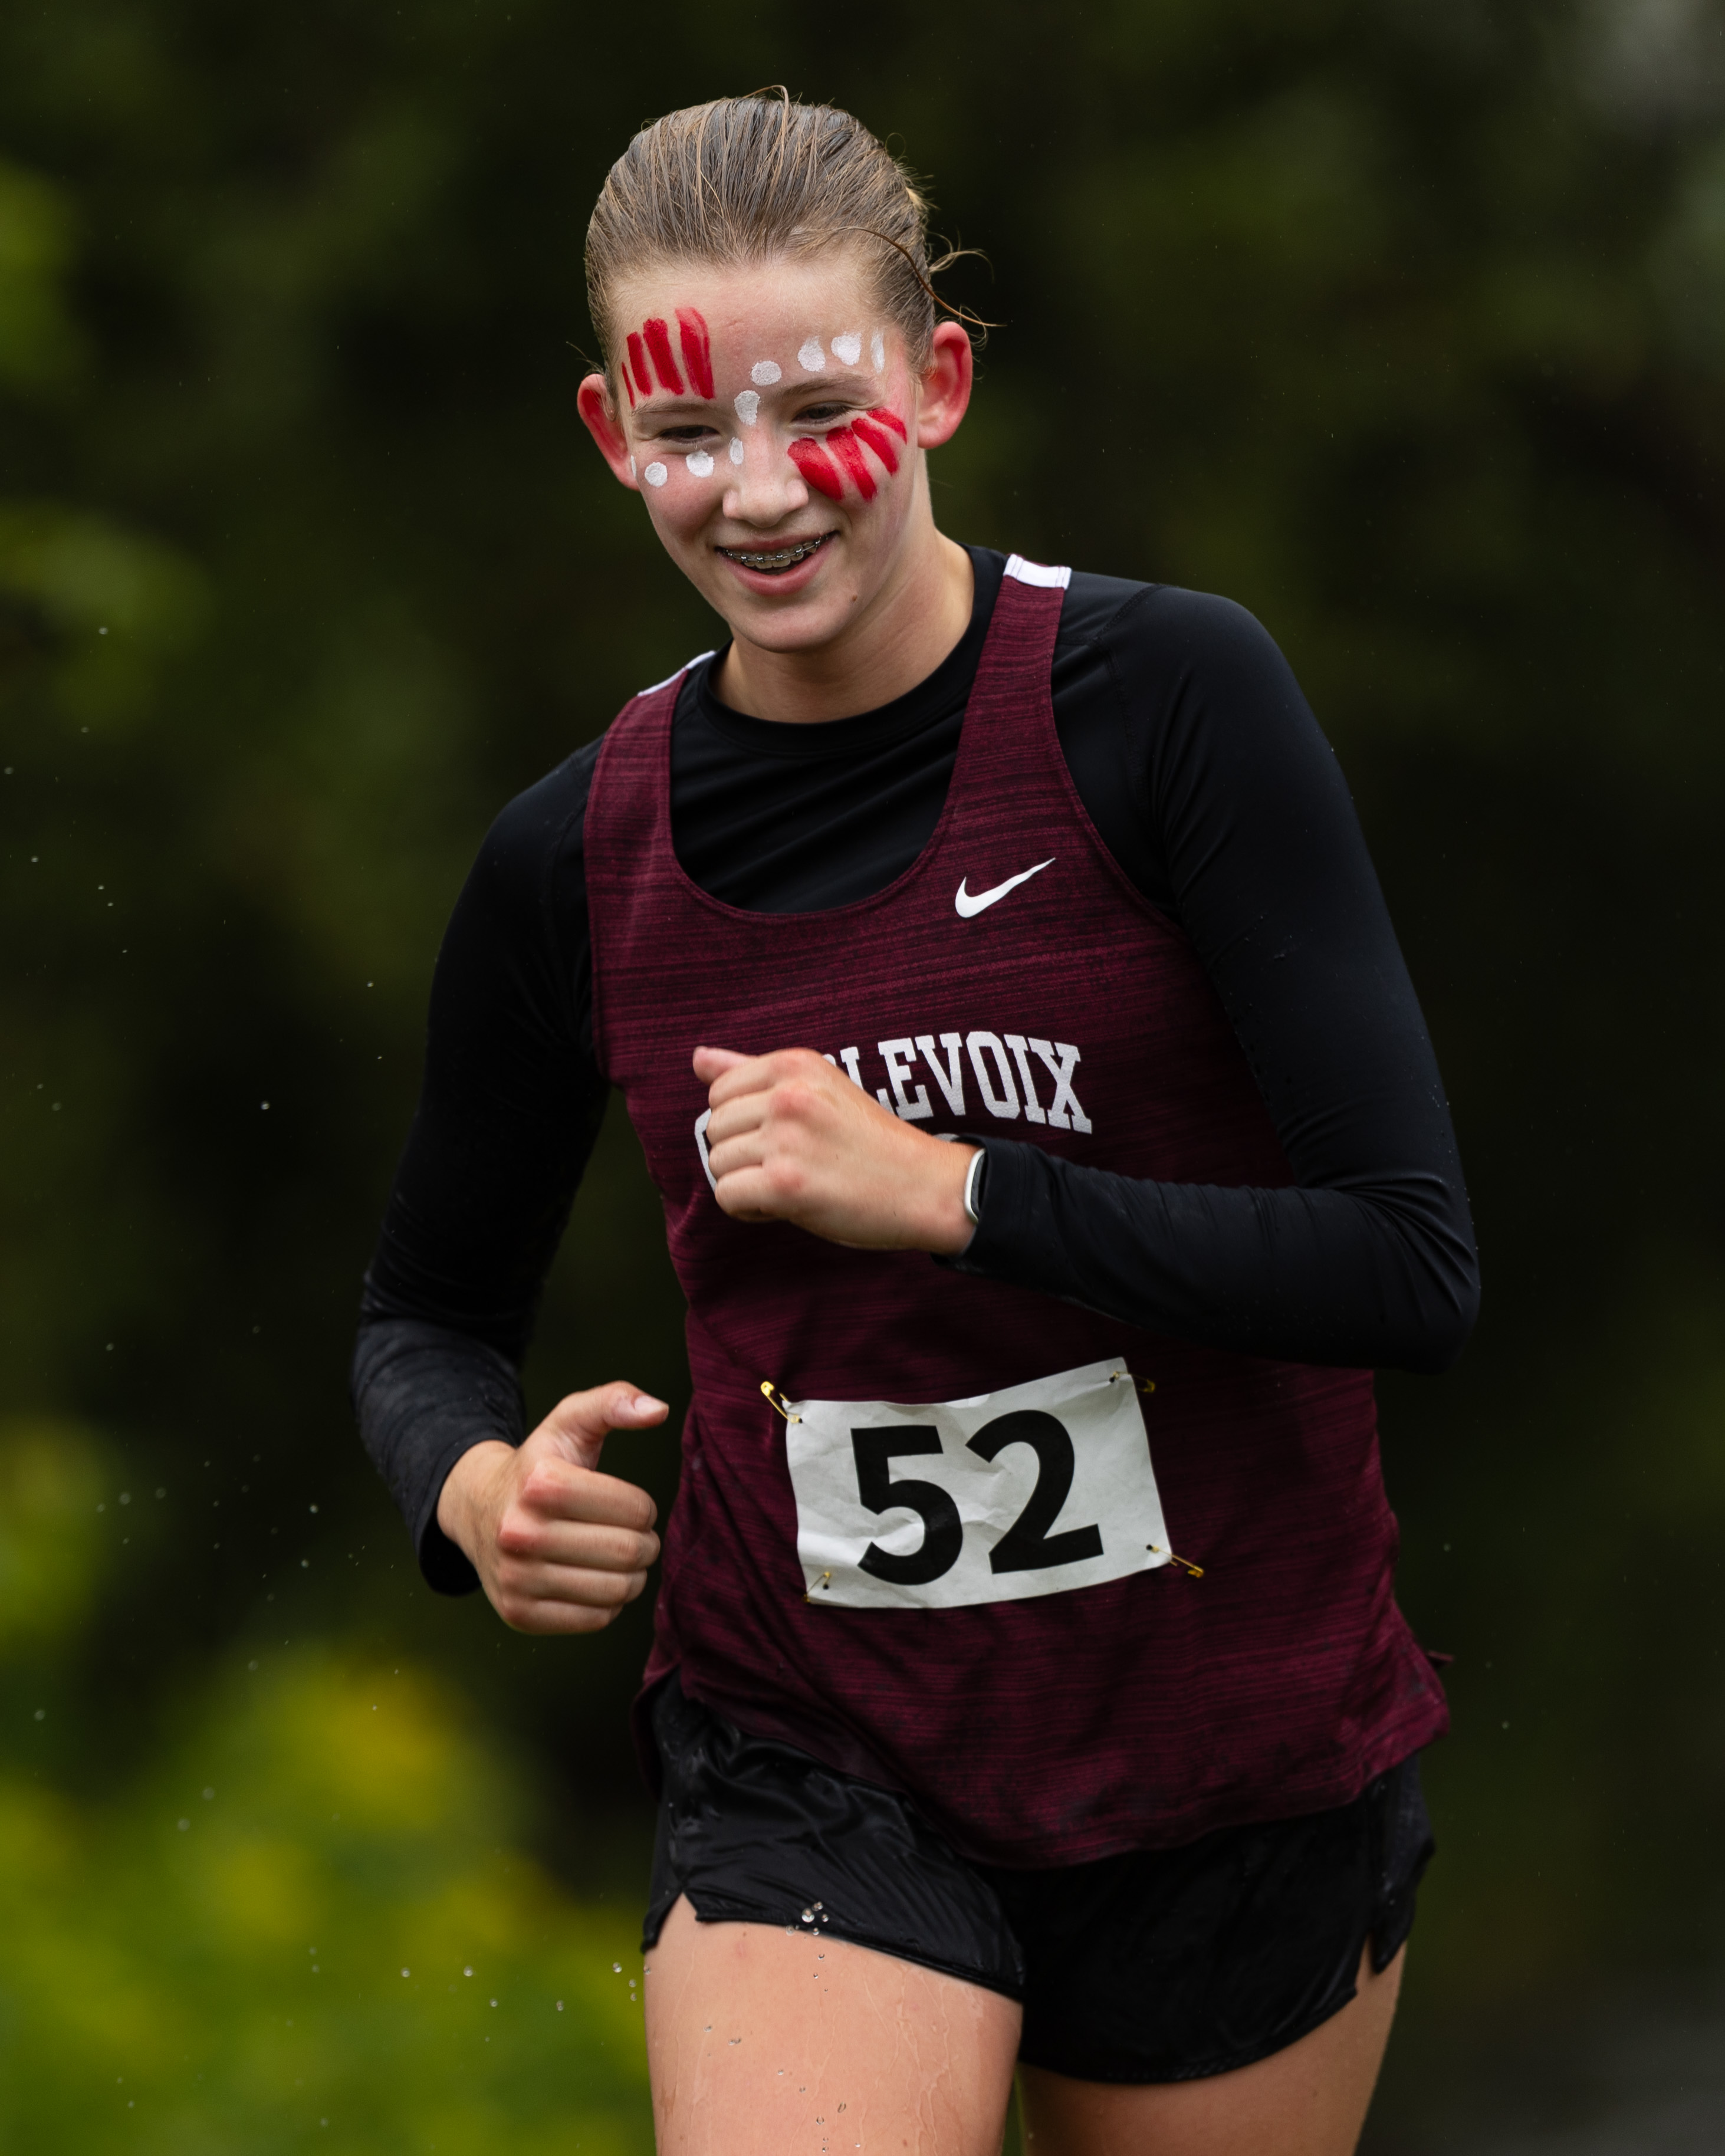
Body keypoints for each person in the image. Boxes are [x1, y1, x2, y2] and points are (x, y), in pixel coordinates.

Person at [354, 91, 1479, 2156]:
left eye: (822, 411)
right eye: (688, 432)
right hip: (812, 1751)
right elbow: (424, 1314)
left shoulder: (1165, 704)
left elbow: (1410, 1266)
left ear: (939, 383)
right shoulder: (571, 858)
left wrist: (959, 1195)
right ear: (610, 434)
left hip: (1230, 1746)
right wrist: (475, 1490)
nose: (761, 491)